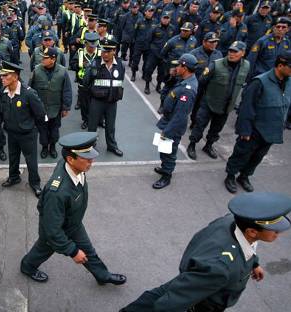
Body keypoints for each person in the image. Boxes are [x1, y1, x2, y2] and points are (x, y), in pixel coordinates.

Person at [120, 192, 291, 312]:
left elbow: (247, 247)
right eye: (275, 230)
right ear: (252, 232)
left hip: (197, 276)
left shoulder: (233, 220)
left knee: (157, 296)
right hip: (203, 302)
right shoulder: (222, 268)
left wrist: (254, 263)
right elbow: (169, 305)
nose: (279, 233)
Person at [20, 132, 127, 285]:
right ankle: (27, 267)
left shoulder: (75, 167)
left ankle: (102, 275)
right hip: (54, 230)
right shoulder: (57, 192)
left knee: (89, 251)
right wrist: (73, 251)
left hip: (73, 223)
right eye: (87, 159)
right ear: (70, 159)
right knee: (42, 251)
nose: (91, 162)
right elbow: (53, 230)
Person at [224, 52, 291, 193]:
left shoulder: (289, 82)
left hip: (272, 130)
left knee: (258, 156)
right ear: (280, 66)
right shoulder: (260, 82)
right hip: (255, 129)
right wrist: (245, 130)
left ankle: (244, 176)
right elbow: (246, 108)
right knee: (241, 153)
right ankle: (230, 175)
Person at [187, 41, 250, 160]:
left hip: (226, 106)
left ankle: (208, 145)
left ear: (243, 53)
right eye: (230, 51)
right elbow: (202, 81)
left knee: (216, 129)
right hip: (209, 102)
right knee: (199, 125)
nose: (231, 54)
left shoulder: (246, 66)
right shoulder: (216, 65)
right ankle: (192, 145)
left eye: (235, 52)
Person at [0, 61, 46, 198]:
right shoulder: (4, 92)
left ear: (15, 77)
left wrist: (33, 128)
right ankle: (14, 177)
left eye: (5, 75)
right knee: (13, 158)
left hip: (27, 134)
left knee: (31, 161)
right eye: (1, 75)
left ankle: (35, 184)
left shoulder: (29, 94)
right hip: (12, 133)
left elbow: (40, 114)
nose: (2, 78)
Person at [153, 54, 198, 189]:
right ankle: (164, 167)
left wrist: (167, 132)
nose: (176, 67)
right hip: (169, 120)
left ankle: (167, 175)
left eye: (179, 65)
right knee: (163, 149)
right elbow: (167, 90)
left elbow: (180, 116)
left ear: (185, 67)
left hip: (173, 125)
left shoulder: (187, 90)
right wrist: (172, 76)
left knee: (169, 152)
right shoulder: (183, 80)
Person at [83, 38, 125, 157]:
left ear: (114, 51)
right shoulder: (95, 64)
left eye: (108, 51)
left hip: (112, 102)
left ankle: (112, 146)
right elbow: (86, 83)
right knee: (92, 125)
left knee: (111, 126)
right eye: (102, 51)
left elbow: (120, 82)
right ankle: (89, 146)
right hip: (97, 101)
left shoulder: (120, 64)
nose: (104, 54)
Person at [29, 47, 72, 159]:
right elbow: (30, 89)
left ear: (53, 59)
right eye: (43, 57)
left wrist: (66, 107)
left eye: (45, 58)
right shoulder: (36, 70)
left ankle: (52, 146)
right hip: (41, 109)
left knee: (54, 129)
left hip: (56, 108)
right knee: (42, 130)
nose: (42, 59)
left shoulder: (62, 71)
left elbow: (67, 90)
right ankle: (44, 147)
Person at [70, 32, 100, 130]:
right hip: (83, 83)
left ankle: (99, 120)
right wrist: (81, 65)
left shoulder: (100, 53)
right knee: (84, 104)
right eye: (90, 46)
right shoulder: (80, 52)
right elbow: (72, 64)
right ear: (86, 44)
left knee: (97, 104)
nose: (92, 48)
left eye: (94, 46)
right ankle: (86, 120)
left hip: (97, 84)